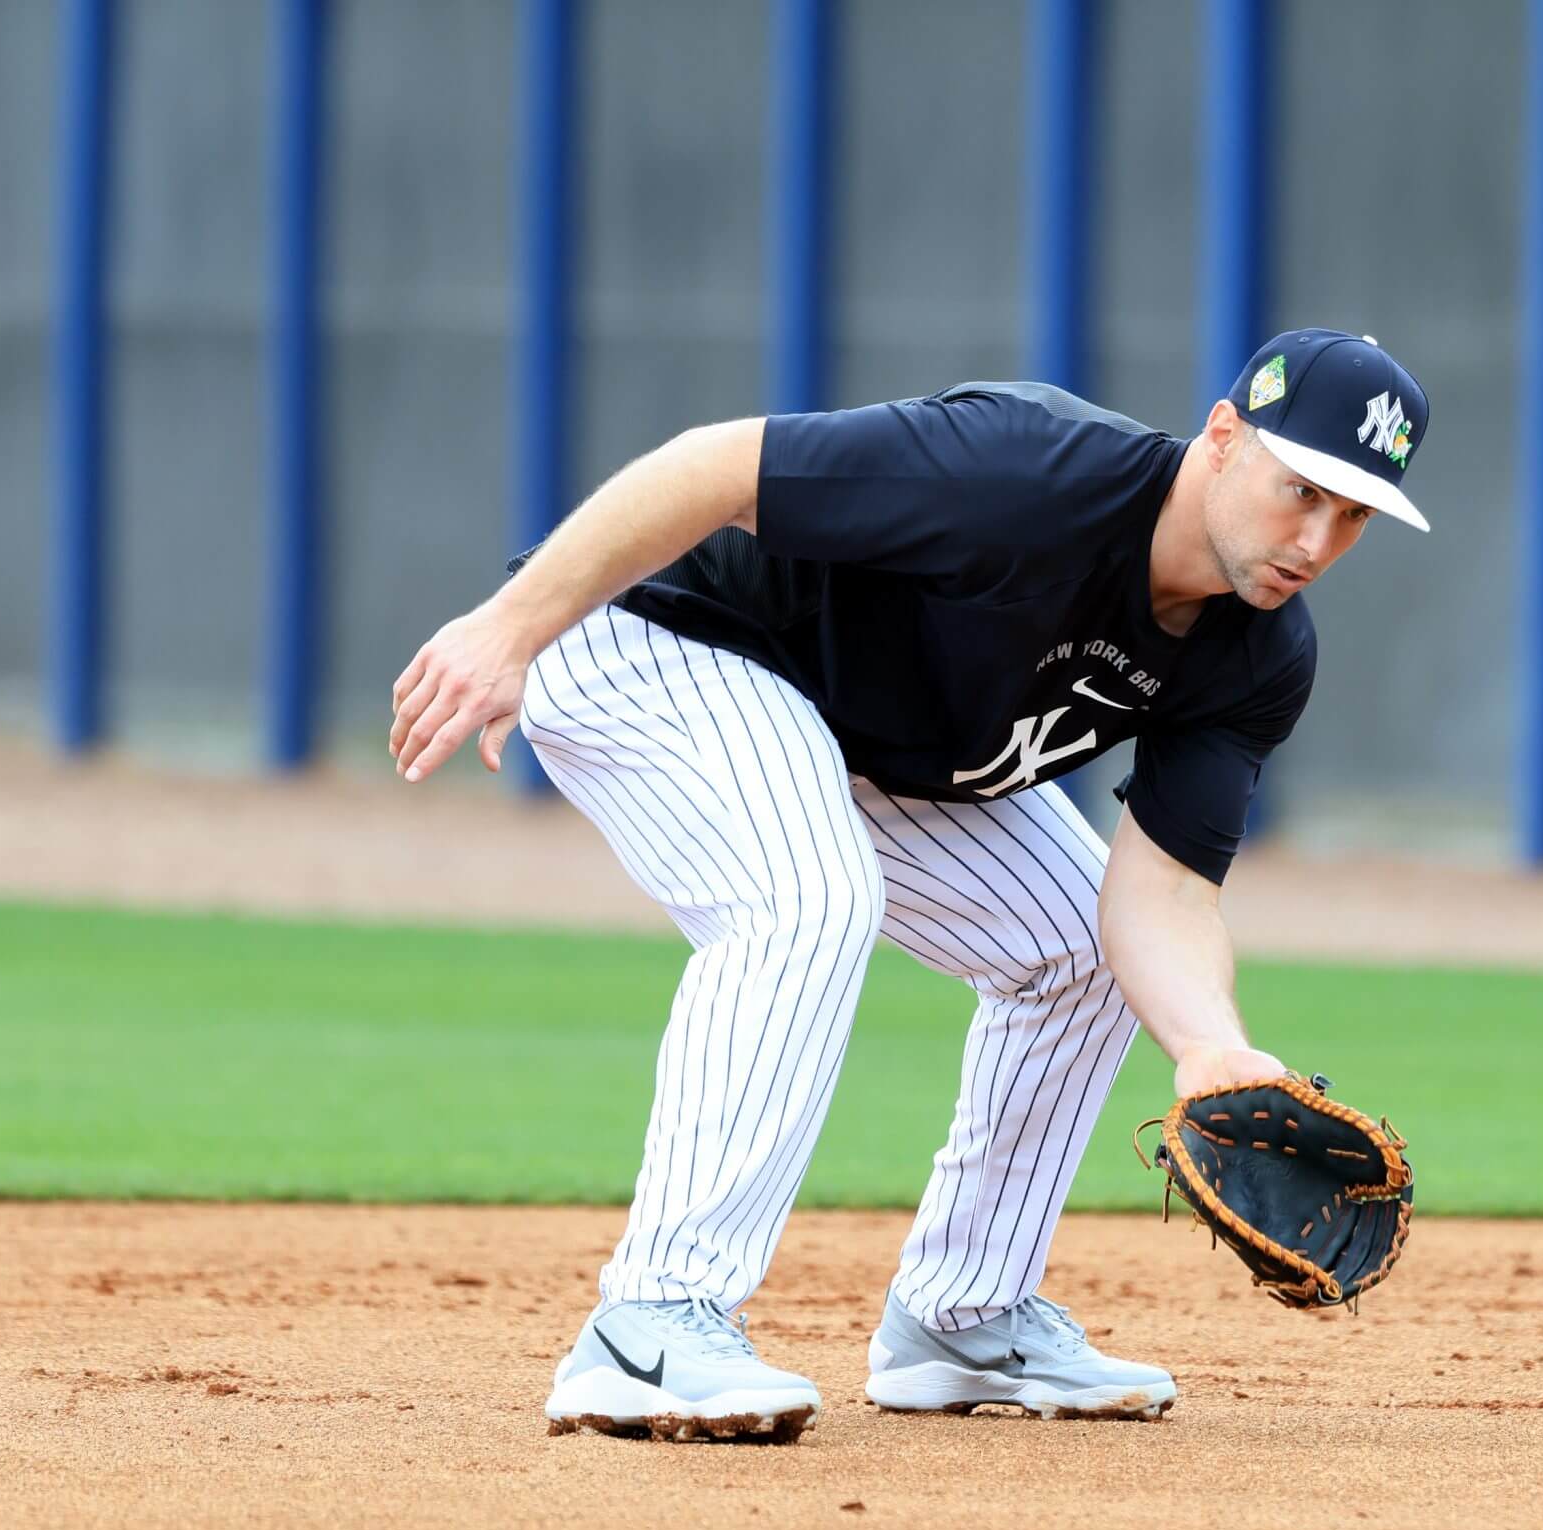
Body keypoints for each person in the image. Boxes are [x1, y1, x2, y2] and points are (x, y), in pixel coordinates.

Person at [387, 329, 1430, 1439]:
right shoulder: (1026, 470)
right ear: (1223, 439)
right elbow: (713, 468)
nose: (1316, 539)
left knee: (1078, 950)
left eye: (1355, 513)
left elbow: (1163, 894)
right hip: (654, 639)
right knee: (807, 899)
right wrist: (509, 628)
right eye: (1300, 490)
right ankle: (649, 1325)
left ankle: (963, 1316)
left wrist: (1210, 1047)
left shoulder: (1259, 654)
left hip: (852, 736)